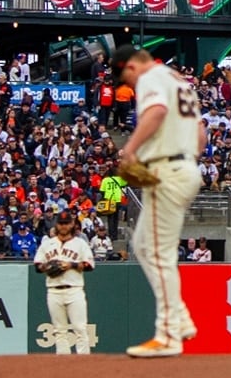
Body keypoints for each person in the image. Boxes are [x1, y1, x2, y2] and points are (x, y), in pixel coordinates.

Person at [112, 45, 206, 358]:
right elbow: (201, 135)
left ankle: (168, 335)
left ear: (130, 67)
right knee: (142, 245)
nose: (131, 86)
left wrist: (131, 149)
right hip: (184, 167)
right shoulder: (180, 83)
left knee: (157, 251)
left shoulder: (151, 75)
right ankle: (179, 318)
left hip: (167, 170)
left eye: (126, 78)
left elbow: (156, 112)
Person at [34, 210, 96, 355]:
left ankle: (83, 365)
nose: (63, 226)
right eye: (61, 223)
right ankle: (64, 366)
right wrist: (47, 267)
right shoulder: (48, 244)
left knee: (80, 328)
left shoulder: (80, 244)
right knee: (59, 330)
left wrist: (71, 265)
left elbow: (89, 265)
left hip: (74, 290)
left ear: (72, 224)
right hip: (53, 290)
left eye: (66, 223)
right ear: (56, 225)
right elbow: (37, 266)